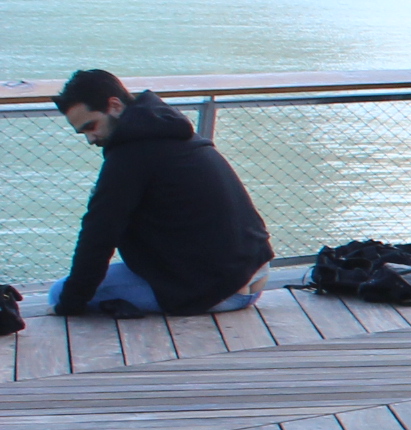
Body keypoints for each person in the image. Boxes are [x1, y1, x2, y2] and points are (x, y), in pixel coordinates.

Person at [49, 70, 273, 316]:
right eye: (83, 133)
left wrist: (70, 305)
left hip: (215, 291)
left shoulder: (129, 156)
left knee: (59, 293)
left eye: (91, 126)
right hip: (253, 275)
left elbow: (98, 234)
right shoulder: (172, 131)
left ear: (115, 105)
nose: (91, 139)